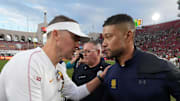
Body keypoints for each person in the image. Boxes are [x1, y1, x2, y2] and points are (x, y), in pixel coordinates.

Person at [0, 15, 109, 101]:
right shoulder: (28, 64)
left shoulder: (59, 66)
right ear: (56, 34)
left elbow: (75, 93)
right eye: (75, 38)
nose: (77, 45)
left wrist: (100, 77)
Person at [102, 14, 180, 101]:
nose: (104, 44)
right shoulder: (110, 73)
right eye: (103, 38)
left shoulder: (161, 67)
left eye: (108, 37)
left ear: (128, 36)